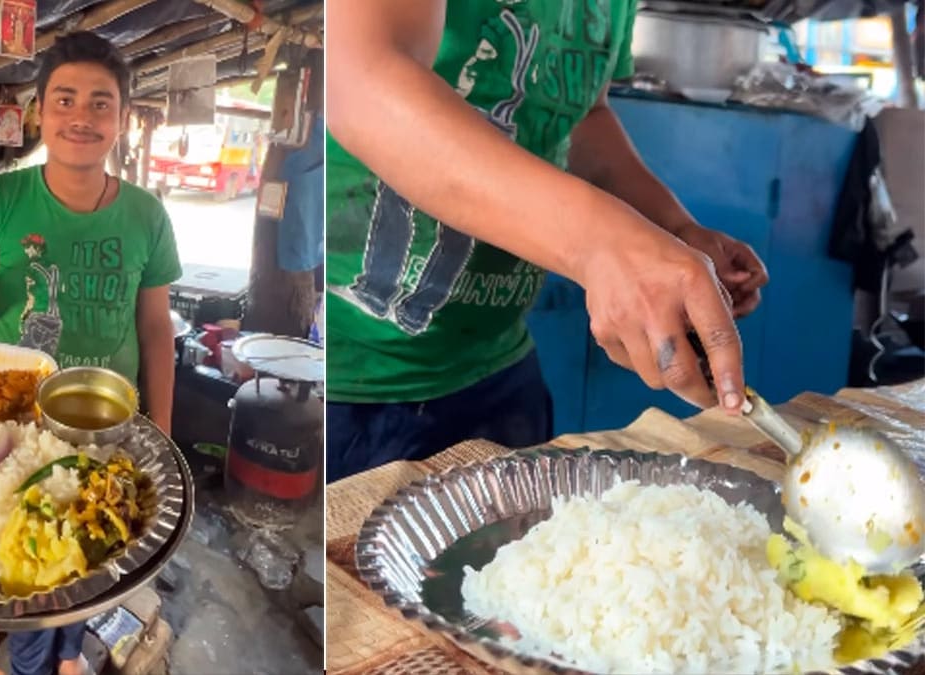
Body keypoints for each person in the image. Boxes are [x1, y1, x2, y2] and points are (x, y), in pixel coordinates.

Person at [324, 0, 769, 482]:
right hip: (349, 386)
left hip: (499, 369)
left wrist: (675, 230)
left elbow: (582, 119)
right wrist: (601, 243)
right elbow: (363, 81)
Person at [0, 31, 181, 675]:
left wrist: (167, 439)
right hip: (19, 440)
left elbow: (156, 330)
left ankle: (71, 654)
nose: (82, 117)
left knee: (93, 560)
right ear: (40, 111)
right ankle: (34, 662)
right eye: (65, 99)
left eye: (102, 104)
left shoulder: (148, 215)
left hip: (111, 427)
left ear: (123, 120)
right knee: (29, 570)